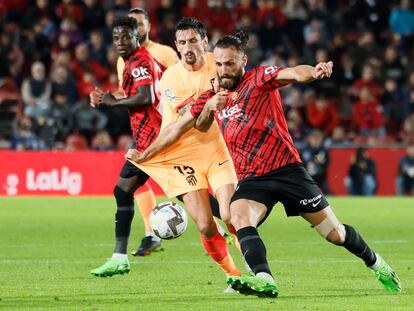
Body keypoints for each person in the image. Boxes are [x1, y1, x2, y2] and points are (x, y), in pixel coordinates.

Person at [128, 30, 402, 298]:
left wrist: (314, 72)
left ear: (243, 62)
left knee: (335, 233)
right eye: (220, 64)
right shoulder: (211, 95)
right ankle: (263, 277)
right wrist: (146, 153)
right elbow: (181, 128)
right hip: (252, 179)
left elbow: (294, 73)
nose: (224, 69)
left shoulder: (259, 78)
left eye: (230, 64)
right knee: (237, 216)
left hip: (288, 171)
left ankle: (377, 264)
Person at [91, 17, 242, 286]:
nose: (187, 48)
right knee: (205, 224)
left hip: (204, 147)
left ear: (204, 42)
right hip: (176, 149)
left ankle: (258, 272)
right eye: (182, 42)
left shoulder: (212, 64)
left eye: (193, 41)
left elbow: (238, 80)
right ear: (177, 45)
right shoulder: (169, 76)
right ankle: (233, 275)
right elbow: (188, 116)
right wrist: (110, 99)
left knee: (233, 217)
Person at [89, 16, 164, 277]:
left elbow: (146, 97)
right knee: (122, 191)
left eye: (125, 36)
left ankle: (233, 228)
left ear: (136, 37)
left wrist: (111, 103)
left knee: (197, 201)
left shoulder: (141, 61)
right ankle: (120, 257)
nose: (120, 42)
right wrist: (109, 99)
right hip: (146, 141)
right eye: (116, 37)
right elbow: (139, 96)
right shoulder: (130, 62)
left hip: (158, 142)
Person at [115, 8, 179, 257]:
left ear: (148, 26)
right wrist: (111, 98)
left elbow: (180, 82)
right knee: (129, 184)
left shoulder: (163, 53)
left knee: (186, 188)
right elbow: (129, 92)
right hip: (143, 127)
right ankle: (150, 233)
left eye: (139, 24)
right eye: (132, 24)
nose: (136, 29)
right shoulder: (124, 59)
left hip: (167, 128)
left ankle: (220, 227)